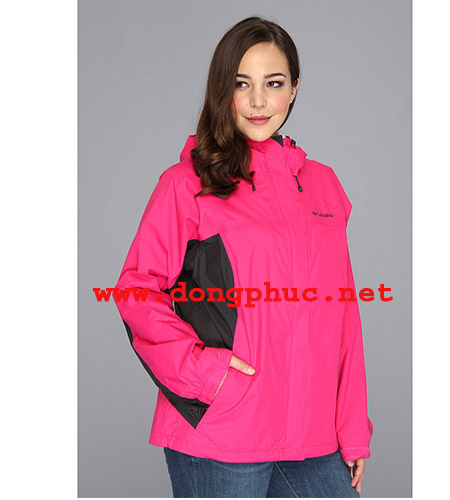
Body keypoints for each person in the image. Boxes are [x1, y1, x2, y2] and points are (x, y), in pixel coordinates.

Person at [113, 16, 373, 498]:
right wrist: (206, 375)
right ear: (223, 90)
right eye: (241, 84)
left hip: (313, 431)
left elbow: (342, 314)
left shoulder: (323, 185)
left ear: (294, 89)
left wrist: (352, 425)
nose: (257, 101)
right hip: (223, 428)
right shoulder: (188, 183)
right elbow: (136, 291)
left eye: (273, 83)